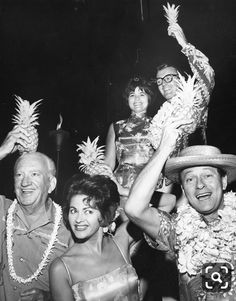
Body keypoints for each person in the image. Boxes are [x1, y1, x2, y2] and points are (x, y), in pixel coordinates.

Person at [125, 119, 236, 300]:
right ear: (183, 189)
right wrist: (164, 149)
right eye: (190, 179)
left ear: (223, 181)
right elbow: (134, 208)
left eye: (208, 175)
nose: (200, 185)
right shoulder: (178, 230)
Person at [0, 126, 71, 301]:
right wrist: (2, 150)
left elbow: (85, 285)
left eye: (34, 174)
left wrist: (51, 297)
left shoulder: (71, 226)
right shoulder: (2, 210)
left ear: (51, 184)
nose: (25, 182)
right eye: (19, 175)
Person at [49, 173, 143, 301]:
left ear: (103, 214)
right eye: (73, 210)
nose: (78, 219)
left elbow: (168, 202)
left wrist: (123, 191)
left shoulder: (121, 241)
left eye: (88, 211)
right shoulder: (61, 268)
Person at [154, 22, 215, 147]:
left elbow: (208, 76)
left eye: (169, 78)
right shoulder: (160, 115)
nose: (164, 84)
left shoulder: (194, 100)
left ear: (180, 79)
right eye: (159, 81)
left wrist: (184, 45)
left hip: (197, 164)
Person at [104, 77, 155, 201]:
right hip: (120, 187)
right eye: (132, 95)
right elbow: (108, 163)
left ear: (149, 97)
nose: (137, 99)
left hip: (149, 185)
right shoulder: (116, 126)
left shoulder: (159, 124)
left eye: (142, 94)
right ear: (127, 99)